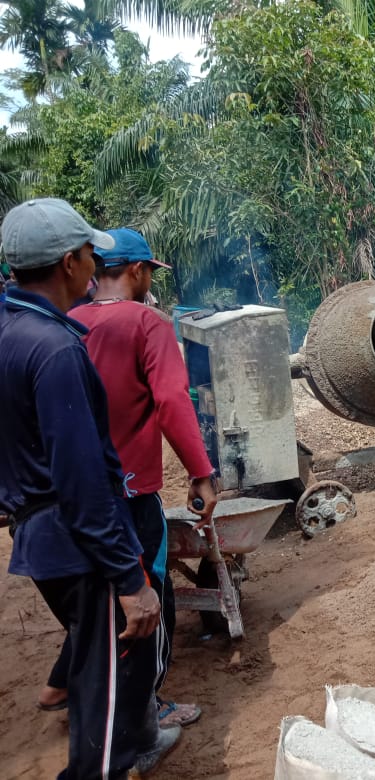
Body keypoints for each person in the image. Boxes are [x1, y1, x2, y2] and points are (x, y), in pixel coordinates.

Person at [0, 198, 178, 778]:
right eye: (87, 255)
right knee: (104, 731)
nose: (92, 266)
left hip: (38, 534)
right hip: (81, 547)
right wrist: (131, 580)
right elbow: (83, 483)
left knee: (90, 663)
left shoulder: (12, 328)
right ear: (71, 262)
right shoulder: (55, 350)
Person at [35, 227, 218, 731]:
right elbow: (172, 403)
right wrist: (202, 473)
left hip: (70, 494)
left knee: (98, 592)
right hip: (130, 491)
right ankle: (149, 705)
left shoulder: (63, 321)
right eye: (148, 273)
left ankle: (61, 683)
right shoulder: (147, 323)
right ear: (137, 271)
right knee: (148, 594)